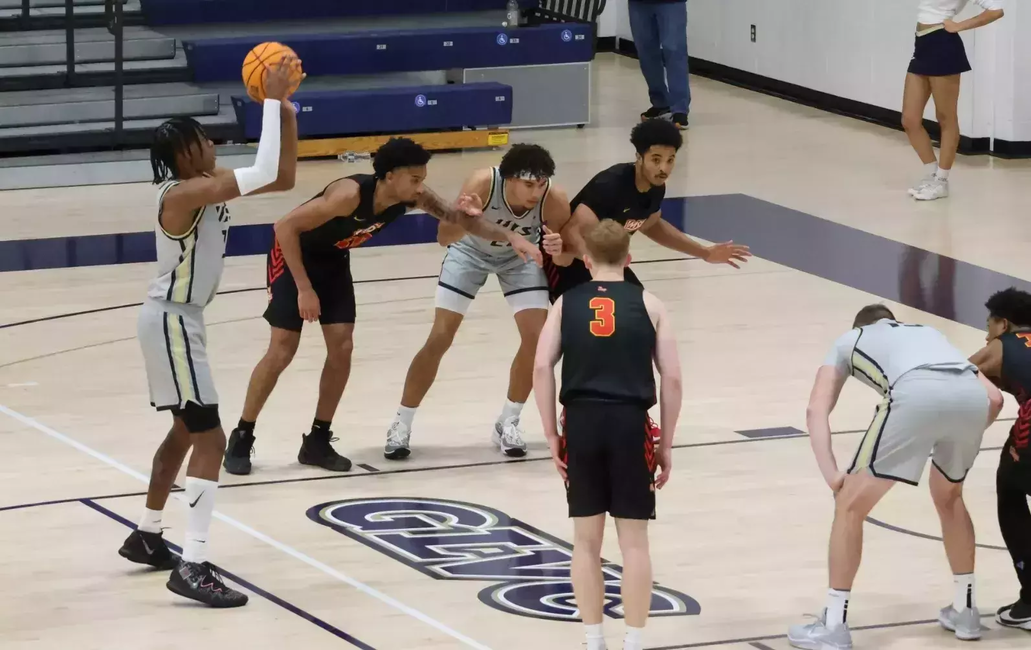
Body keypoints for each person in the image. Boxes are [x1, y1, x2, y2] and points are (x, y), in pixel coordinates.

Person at [223, 137, 543, 476]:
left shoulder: (413, 196)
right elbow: (284, 227)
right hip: (293, 259)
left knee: (342, 348)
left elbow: (459, 221)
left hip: (332, 260)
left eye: (422, 179)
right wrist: (303, 288)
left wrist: (507, 235)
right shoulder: (348, 196)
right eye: (415, 179)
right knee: (283, 349)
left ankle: (317, 440)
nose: (421, 186)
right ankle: (242, 435)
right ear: (390, 176)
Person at [118, 58, 301, 606]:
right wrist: (268, 99)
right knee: (210, 439)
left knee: (184, 432)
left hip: (179, 322)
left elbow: (283, 176)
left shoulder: (208, 186)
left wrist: (285, 114)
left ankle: (149, 536)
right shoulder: (181, 194)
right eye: (201, 139)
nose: (211, 144)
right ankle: (192, 564)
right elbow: (267, 170)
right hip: (172, 320)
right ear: (184, 154)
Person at [788, 305, 1003, 649]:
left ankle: (833, 625)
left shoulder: (850, 339)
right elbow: (993, 399)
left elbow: (816, 408)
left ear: (860, 325)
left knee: (849, 506)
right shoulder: (930, 333)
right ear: (894, 321)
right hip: (971, 399)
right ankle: (965, 611)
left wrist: (833, 476)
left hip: (914, 393)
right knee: (950, 497)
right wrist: (953, 436)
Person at [533, 219, 681, 650]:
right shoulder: (651, 304)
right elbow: (671, 378)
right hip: (629, 423)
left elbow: (541, 367)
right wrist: (665, 442)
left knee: (585, 541)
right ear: (629, 259)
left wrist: (549, 434)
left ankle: (593, 639)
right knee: (634, 542)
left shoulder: (565, 302)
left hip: (580, 422)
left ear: (586, 260)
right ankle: (633, 642)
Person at [384, 144, 569, 460]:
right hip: (469, 252)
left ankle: (508, 421)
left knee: (537, 341)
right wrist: (465, 216)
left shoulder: (555, 200)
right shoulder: (482, 182)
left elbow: (564, 260)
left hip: (518, 259)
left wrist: (558, 248)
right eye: (528, 184)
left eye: (540, 184)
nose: (535, 192)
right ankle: (401, 423)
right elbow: (444, 238)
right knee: (440, 337)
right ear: (508, 179)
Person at [544, 118, 749, 302]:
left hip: (606, 264)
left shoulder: (656, 188)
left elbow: (652, 225)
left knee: (642, 317)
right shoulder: (610, 185)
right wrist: (602, 269)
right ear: (639, 157)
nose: (664, 169)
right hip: (567, 267)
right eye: (656, 159)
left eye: (670, 160)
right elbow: (572, 235)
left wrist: (704, 252)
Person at [968, 288, 1031, 629]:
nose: (986, 332)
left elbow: (957, 377)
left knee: (1010, 493)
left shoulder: (1001, 346)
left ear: (1003, 323)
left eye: (989, 324)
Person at [902, 0, 1004, 201]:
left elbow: (996, 10)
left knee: (946, 117)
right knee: (909, 119)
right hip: (921, 44)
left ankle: (941, 180)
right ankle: (931, 174)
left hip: (943, 44)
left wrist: (959, 25)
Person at [627, 0, 690, 129]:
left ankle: (680, 109)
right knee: (646, 53)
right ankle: (660, 102)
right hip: (638, 4)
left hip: (671, 3)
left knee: (674, 51)